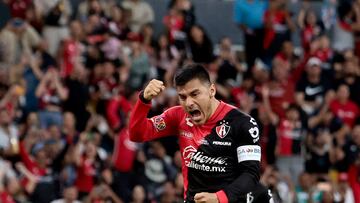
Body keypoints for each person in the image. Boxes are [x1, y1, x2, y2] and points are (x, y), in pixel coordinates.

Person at [129, 64, 272, 203]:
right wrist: (143, 100)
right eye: (183, 97)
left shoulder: (242, 123)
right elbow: (137, 134)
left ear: (212, 91)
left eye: (195, 94)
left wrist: (219, 198)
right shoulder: (177, 116)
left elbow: (250, 174)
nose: (189, 102)